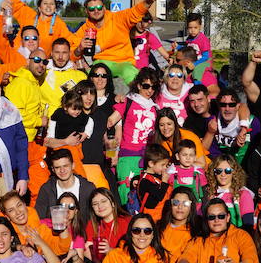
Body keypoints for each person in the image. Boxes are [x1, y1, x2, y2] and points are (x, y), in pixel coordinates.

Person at [72, 0, 159, 84]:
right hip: (101, 63)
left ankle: (136, 97)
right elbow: (71, 52)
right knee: (89, 77)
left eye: (99, 7)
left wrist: (149, 1)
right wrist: (79, 48)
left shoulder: (118, 18)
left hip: (123, 62)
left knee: (130, 73)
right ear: (86, 11)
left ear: (104, 8)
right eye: (92, 9)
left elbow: (135, 12)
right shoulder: (84, 29)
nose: (96, 11)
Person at [107, 68, 160, 204]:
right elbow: (109, 125)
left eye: (153, 87)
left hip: (148, 157)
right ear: (138, 85)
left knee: (145, 194)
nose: (150, 90)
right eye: (146, 86)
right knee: (126, 193)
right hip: (127, 155)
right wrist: (112, 152)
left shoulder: (155, 108)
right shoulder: (128, 101)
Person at [3, 49, 48, 199]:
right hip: (21, 143)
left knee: (34, 188)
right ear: (27, 61)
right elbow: (14, 115)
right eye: (36, 60)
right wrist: (38, 121)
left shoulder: (32, 82)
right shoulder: (22, 83)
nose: (41, 64)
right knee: (33, 188)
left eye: (44, 62)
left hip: (31, 142)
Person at [33, 148, 95, 223]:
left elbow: (94, 218)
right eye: (57, 167)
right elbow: (39, 218)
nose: (62, 170)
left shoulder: (88, 188)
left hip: (83, 232)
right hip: (55, 233)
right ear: (53, 169)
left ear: (73, 166)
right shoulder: (46, 189)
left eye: (65, 166)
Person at [43, 91, 93, 176]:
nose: (77, 112)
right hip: (60, 146)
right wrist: (51, 136)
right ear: (66, 107)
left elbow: (90, 121)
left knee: (76, 161)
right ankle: (81, 176)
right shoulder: (58, 114)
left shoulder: (81, 116)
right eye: (74, 109)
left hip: (75, 146)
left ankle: (81, 178)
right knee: (71, 164)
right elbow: (51, 129)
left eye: (79, 109)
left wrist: (86, 133)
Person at [203, 88, 258, 164]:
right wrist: (210, 132)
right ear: (219, 106)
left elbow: (258, 149)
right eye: (223, 105)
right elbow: (205, 151)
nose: (227, 109)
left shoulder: (252, 122)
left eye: (231, 105)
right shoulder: (212, 123)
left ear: (238, 106)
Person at [205, 154, 255, 229]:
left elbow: (248, 224)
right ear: (214, 173)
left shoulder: (243, 194)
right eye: (219, 171)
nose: (223, 174)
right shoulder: (209, 194)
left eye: (227, 170)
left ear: (234, 172)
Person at [85, 188, 131, 263]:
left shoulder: (127, 222)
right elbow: (86, 249)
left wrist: (110, 251)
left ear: (113, 203)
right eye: (95, 204)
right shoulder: (92, 224)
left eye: (104, 201)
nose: (100, 206)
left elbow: (134, 253)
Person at [40, 38, 88, 112]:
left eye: (64, 53)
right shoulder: (41, 73)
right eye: (57, 52)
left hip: (69, 120)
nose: (60, 57)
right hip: (44, 120)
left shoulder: (80, 76)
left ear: (69, 54)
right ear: (51, 53)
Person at [135, 144, 171, 217]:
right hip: (152, 216)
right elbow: (159, 196)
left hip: (162, 214)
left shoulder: (158, 176)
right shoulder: (145, 181)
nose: (165, 168)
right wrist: (164, 182)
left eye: (166, 165)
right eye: (162, 165)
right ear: (151, 163)